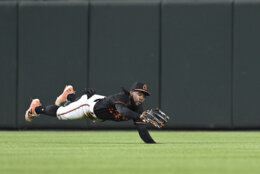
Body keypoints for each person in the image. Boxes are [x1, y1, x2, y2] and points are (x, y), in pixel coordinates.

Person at [25, 82, 156, 144]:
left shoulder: (138, 108)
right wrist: (139, 116)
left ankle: (69, 95)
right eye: (139, 94)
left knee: (77, 102)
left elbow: (142, 129)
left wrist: (152, 144)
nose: (141, 98)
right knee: (61, 113)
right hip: (88, 107)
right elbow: (123, 111)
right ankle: (36, 108)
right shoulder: (122, 97)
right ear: (132, 92)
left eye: (144, 96)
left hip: (97, 107)